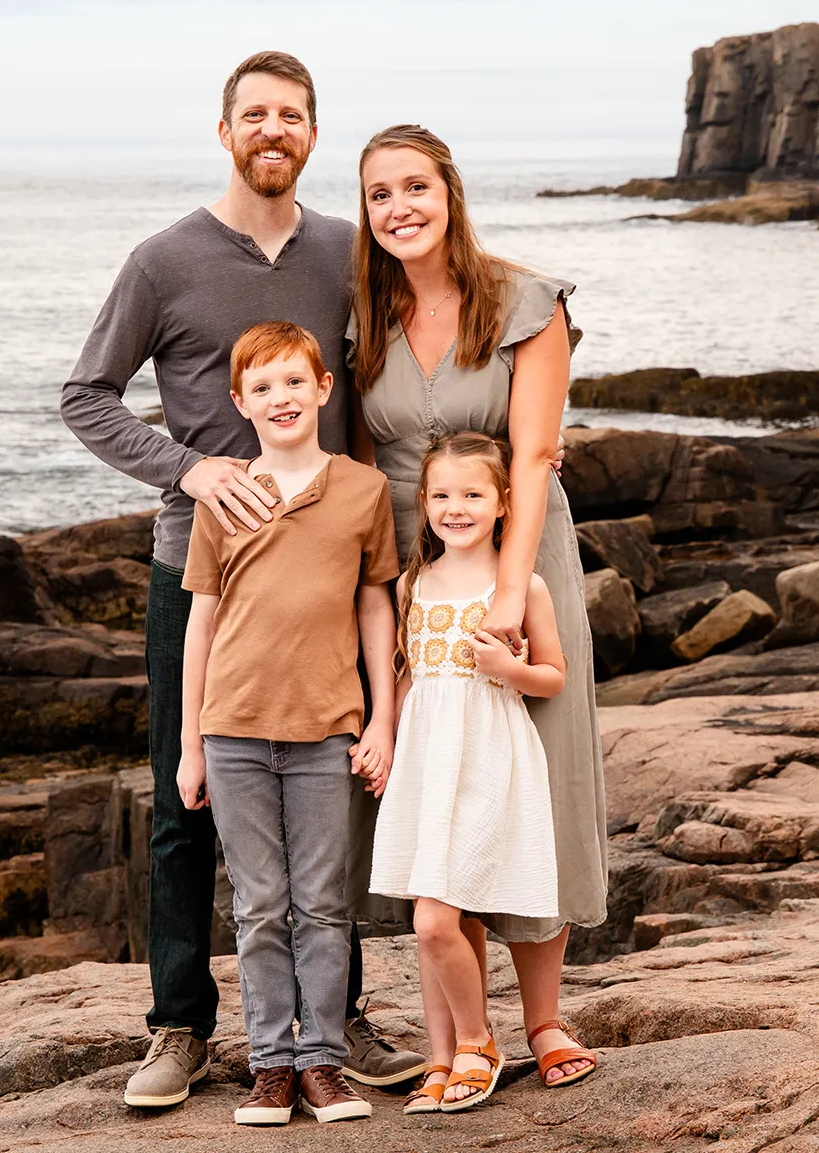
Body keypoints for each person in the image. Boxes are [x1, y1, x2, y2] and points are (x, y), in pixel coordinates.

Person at [60, 52, 425, 1110]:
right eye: (255, 114)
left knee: (335, 798)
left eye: (293, 116)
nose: (274, 129)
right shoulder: (164, 261)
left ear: (313, 135)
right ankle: (179, 1024)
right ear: (225, 131)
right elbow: (87, 396)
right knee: (185, 802)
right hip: (198, 573)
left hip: (329, 578)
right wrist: (189, 466)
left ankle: (336, 1016)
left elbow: (395, 372)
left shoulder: (350, 254)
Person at [347, 124, 605, 1092]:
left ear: (450, 192)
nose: (400, 207)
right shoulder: (364, 314)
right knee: (440, 780)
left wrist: (506, 583)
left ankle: (544, 1018)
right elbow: (366, 460)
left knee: (544, 769)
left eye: (416, 186)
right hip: (413, 569)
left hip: (516, 554)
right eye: (380, 194)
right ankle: (466, 1031)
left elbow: (535, 451)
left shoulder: (523, 301)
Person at [177, 321, 400, 1126]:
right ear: (240, 402)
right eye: (262, 388)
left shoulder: (362, 492)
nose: (280, 399)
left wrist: (384, 720)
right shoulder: (225, 493)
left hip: (326, 733)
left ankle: (323, 1065)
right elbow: (201, 621)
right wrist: (188, 746)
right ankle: (270, 1065)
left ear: (323, 390)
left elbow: (377, 606)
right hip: (233, 731)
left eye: (293, 383)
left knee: (323, 904)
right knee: (260, 905)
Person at [369, 432, 567, 1114]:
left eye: (473, 494)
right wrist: (386, 740)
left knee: (433, 919)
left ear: (504, 502)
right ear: (423, 502)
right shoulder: (411, 583)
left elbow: (553, 677)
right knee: (433, 913)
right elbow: (404, 672)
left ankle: (479, 1040)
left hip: (488, 758)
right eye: (443, 495)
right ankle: (441, 1055)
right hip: (428, 761)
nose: (456, 508)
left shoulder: (520, 587)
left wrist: (510, 671)